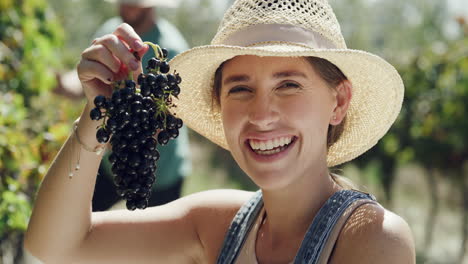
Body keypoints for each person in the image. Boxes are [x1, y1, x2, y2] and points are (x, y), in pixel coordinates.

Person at [24, 0, 416, 263]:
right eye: (240, 89)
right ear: (220, 105)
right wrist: (98, 114)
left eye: (289, 85)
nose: (261, 115)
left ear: (338, 102)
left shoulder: (373, 239)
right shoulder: (216, 221)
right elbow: (52, 245)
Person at [57, 0, 191, 210]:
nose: (128, 6)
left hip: (162, 171)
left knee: (157, 240)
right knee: (78, 219)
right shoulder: (109, 31)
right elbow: (92, 75)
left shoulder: (170, 49)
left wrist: (117, 129)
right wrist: (67, 82)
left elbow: (161, 121)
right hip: (116, 161)